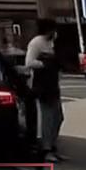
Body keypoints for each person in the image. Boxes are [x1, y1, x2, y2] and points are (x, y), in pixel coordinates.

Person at [26, 19, 64, 162]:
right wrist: (45, 64)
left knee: (58, 117)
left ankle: (52, 145)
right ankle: (46, 149)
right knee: (48, 118)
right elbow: (29, 62)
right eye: (52, 29)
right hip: (43, 85)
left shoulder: (52, 42)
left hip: (53, 84)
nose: (55, 32)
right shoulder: (37, 42)